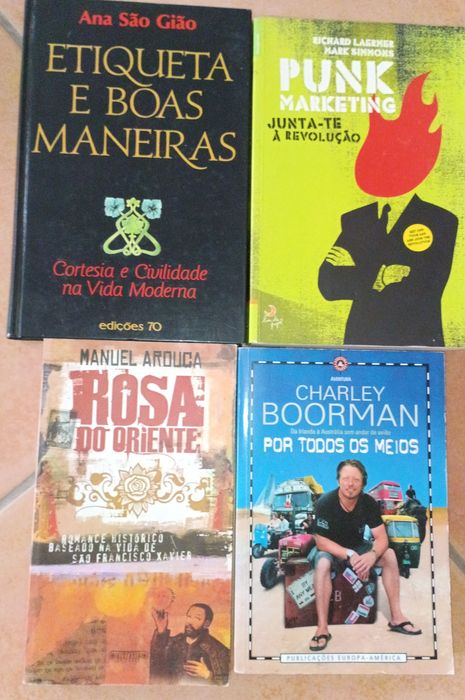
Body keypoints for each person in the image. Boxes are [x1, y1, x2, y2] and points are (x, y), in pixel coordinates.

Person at [309, 459, 421, 652]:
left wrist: (372, 555)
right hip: (330, 548)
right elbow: (321, 541)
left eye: (356, 480)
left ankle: (397, 618)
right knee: (322, 564)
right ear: (338, 480)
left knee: (389, 555)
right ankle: (322, 628)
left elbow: (382, 538)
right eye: (346, 478)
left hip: (357, 545)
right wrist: (349, 554)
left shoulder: (368, 503)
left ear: (363, 484)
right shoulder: (325, 502)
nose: (350, 484)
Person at [150, 603, 230, 684]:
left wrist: (207, 675)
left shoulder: (218, 650)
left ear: (206, 623)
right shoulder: (174, 642)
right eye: (188, 616)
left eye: (197, 618)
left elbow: (226, 683)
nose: (189, 622)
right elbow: (157, 664)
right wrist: (161, 630)